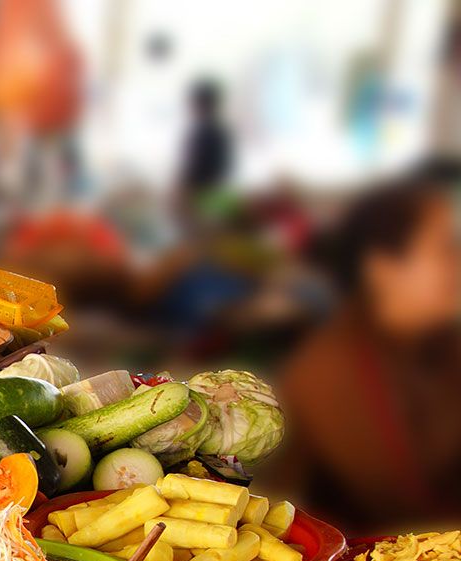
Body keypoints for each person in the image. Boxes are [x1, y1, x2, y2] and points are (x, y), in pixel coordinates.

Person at [277, 177, 461, 531]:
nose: (456, 264)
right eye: (445, 249)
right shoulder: (328, 371)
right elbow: (410, 511)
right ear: (383, 269)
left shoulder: (441, 344)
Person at [178, 81, 233, 210]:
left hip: (203, 197)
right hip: (214, 195)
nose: (191, 108)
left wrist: (184, 191)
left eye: (194, 103)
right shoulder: (220, 131)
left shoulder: (206, 131)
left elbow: (195, 168)